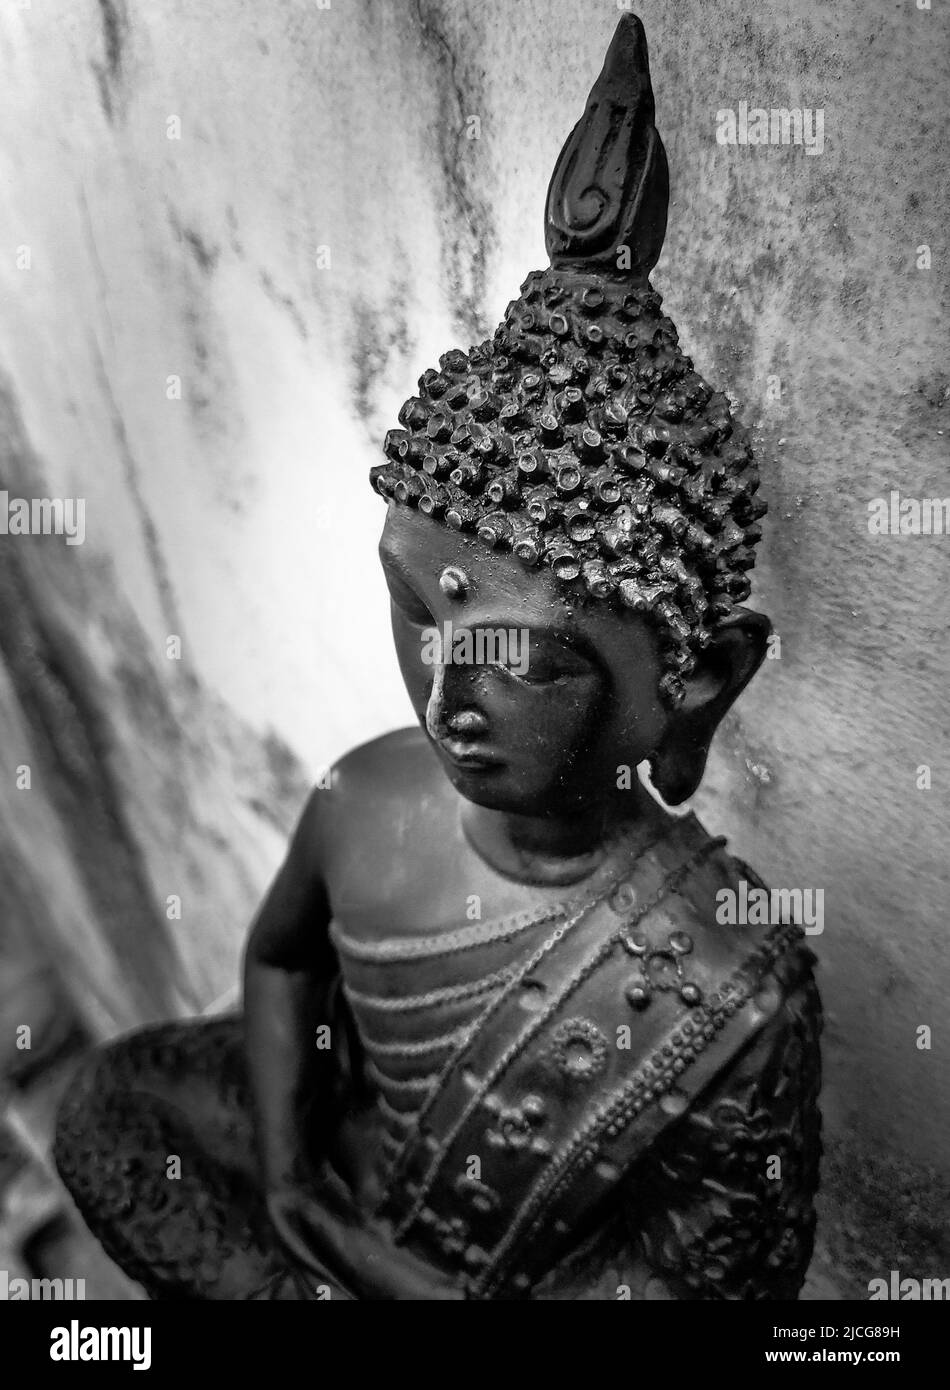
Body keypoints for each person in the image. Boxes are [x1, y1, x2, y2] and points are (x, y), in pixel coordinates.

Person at [54, 13, 822, 1301]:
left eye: (526, 656)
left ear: (697, 689)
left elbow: (718, 1292)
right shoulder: (369, 791)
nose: (445, 695)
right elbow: (283, 959)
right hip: (336, 1191)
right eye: (418, 610)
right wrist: (294, 1177)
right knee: (114, 1111)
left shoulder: (733, 988)